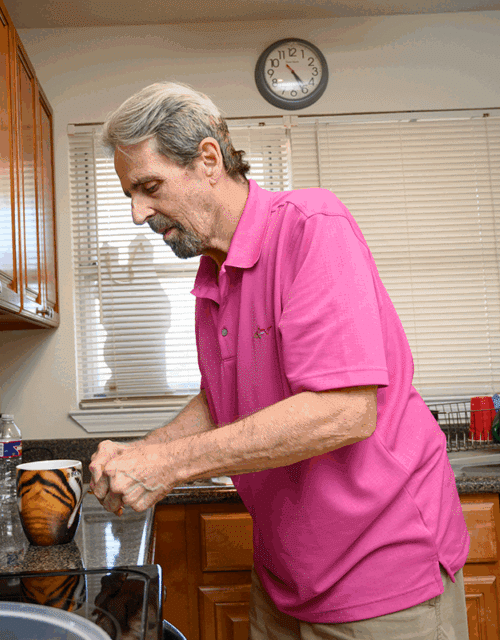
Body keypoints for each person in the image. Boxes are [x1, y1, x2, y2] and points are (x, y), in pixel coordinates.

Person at [89, 81, 471, 639]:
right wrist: (147, 450)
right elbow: (227, 399)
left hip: (380, 576)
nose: (137, 213)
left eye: (149, 187)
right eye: (130, 194)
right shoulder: (213, 274)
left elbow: (345, 410)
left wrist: (168, 467)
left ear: (208, 159)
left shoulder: (310, 227)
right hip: (284, 578)